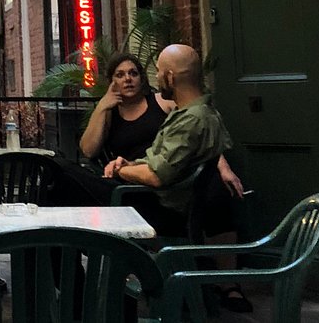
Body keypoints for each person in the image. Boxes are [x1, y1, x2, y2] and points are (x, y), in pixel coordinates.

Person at [84, 45, 251, 313]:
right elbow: (89, 150)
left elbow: (195, 143)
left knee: (218, 194)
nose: (128, 79)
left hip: (151, 189)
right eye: (120, 74)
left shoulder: (170, 106)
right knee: (62, 177)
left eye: (134, 73)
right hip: (136, 178)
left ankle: (228, 282)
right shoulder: (110, 112)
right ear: (111, 81)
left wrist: (222, 166)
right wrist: (103, 106)